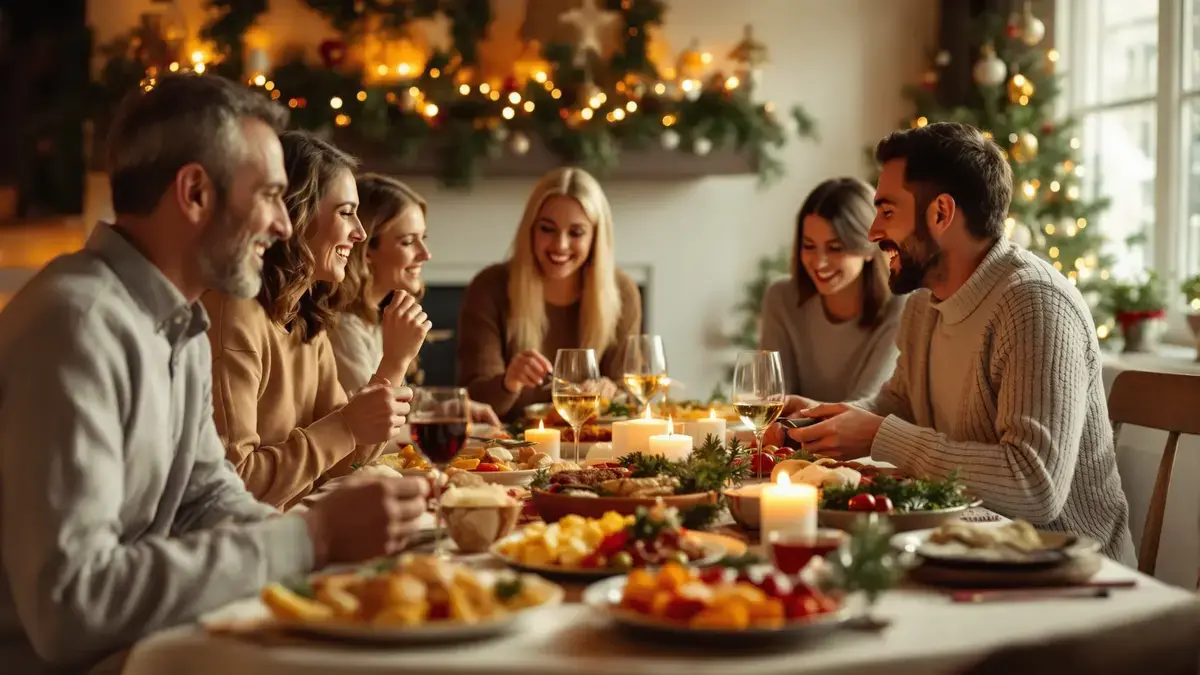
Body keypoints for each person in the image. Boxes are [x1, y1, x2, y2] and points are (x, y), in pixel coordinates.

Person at [0, 74, 428, 674]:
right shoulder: (78, 326)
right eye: (271, 195)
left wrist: (334, 560)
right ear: (195, 193)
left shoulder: (179, 322)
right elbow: (73, 605)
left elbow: (207, 498)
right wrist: (313, 540)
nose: (284, 225)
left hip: (147, 645)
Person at [780, 122, 1134, 563]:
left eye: (887, 211)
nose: (872, 232)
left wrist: (879, 437)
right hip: (960, 552)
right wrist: (823, 420)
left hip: (1066, 573)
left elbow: (1034, 486)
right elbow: (900, 405)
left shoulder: (1035, 304)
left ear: (941, 214)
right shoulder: (925, 304)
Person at [202, 132, 431, 511]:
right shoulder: (235, 313)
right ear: (297, 213)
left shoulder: (307, 316)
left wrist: (394, 366)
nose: (359, 233)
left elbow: (348, 461)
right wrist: (344, 425)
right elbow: (234, 486)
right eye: (346, 213)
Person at [457, 167, 641, 421]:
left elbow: (632, 398)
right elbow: (473, 402)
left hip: (593, 445)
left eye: (576, 233)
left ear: (596, 237)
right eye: (547, 229)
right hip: (506, 448)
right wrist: (508, 382)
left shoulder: (622, 292)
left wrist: (611, 391)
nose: (560, 245)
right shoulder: (490, 287)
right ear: (530, 229)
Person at [331, 173, 499, 424]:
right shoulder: (343, 328)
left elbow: (396, 398)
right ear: (366, 250)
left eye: (424, 239)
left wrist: (451, 406)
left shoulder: (376, 320)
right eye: (408, 242)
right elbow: (373, 421)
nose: (425, 254)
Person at [759, 177, 903, 402]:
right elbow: (771, 400)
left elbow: (865, 411)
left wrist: (799, 411)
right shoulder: (781, 298)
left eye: (835, 248)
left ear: (869, 248)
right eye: (809, 246)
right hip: (788, 436)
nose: (819, 262)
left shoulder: (901, 307)